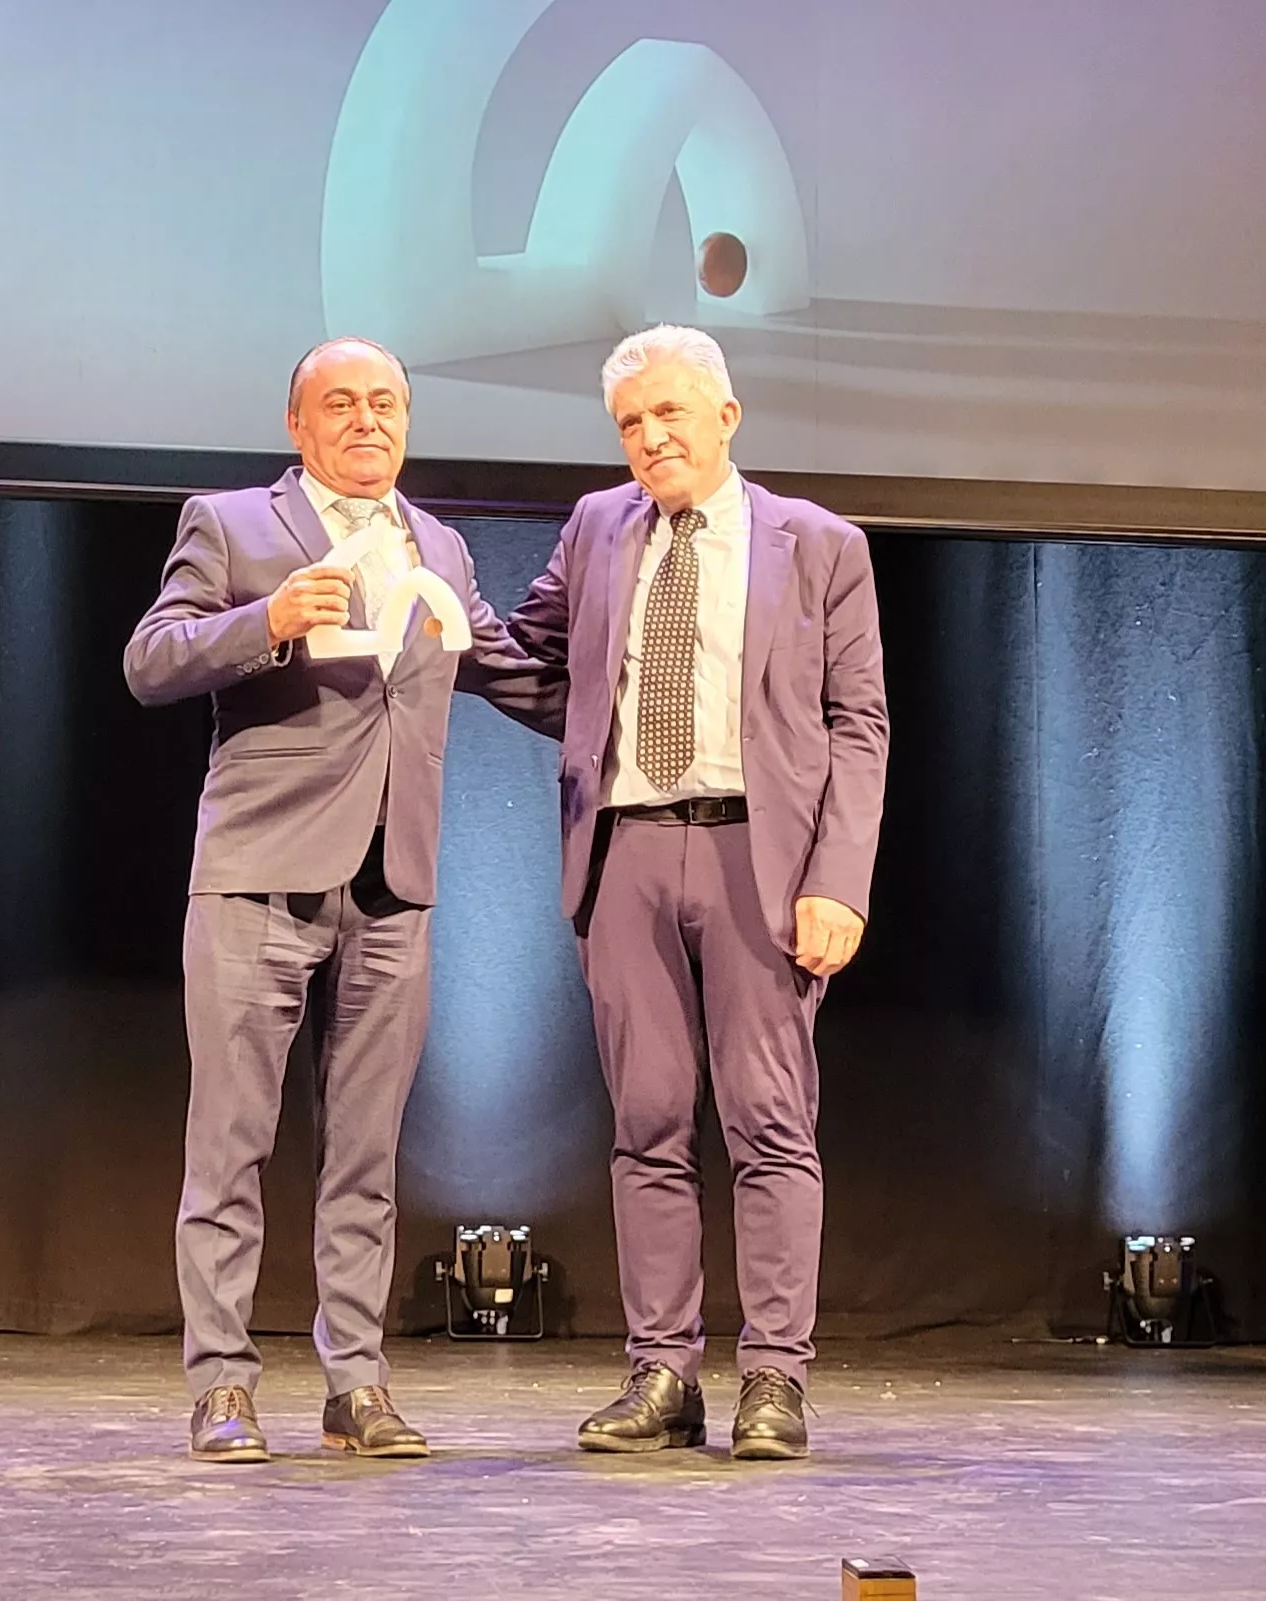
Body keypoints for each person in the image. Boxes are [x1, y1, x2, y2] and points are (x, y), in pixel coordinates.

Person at [124, 337, 556, 1463]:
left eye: (385, 403)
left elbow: (505, 668)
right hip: (258, 875)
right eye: (342, 403)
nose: (367, 421)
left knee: (366, 1156)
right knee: (230, 1147)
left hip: (392, 884)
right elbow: (151, 659)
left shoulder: (439, 545)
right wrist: (264, 621)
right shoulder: (233, 524)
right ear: (298, 423)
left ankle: (355, 1384)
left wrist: (653, 709)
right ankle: (222, 1384)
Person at [507, 325, 889, 1460]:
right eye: (629, 423)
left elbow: (859, 724)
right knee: (647, 1123)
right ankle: (663, 1373)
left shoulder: (820, 544)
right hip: (626, 849)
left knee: (767, 1122)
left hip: (756, 856)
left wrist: (838, 879)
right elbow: (529, 657)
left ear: (726, 416)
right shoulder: (596, 527)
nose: (649, 437)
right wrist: (426, 622)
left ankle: (774, 1376)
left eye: (668, 413)